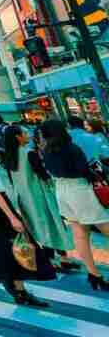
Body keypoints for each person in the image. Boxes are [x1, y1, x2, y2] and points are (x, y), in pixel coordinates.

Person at [0, 130, 54, 306]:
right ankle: (19, 289)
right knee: (16, 243)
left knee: (7, 246)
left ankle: (16, 286)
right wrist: (13, 217)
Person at [40, 119, 109, 291]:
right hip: (79, 189)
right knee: (106, 227)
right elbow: (83, 170)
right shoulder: (71, 148)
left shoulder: (46, 150)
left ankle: (94, 274)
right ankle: (95, 276)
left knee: (79, 234)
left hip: (62, 191)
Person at [2, 125, 79, 273]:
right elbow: (43, 174)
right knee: (53, 223)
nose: (28, 134)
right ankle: (60, 259)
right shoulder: (29, 153)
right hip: (40, 194)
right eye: (25, 133)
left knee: (39, 226)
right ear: (18, 137)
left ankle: (54, 259)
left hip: (23, 197)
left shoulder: (9, 156)